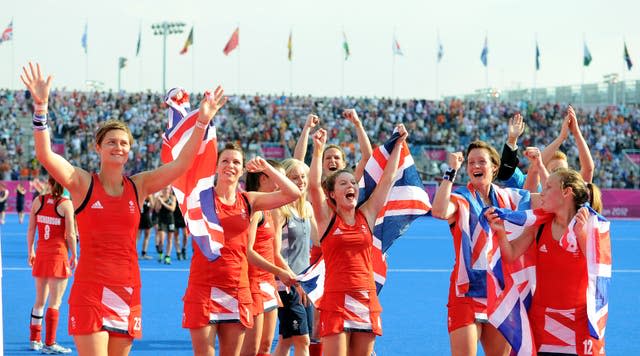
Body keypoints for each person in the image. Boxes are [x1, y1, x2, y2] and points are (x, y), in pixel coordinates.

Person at [21, 61, 227, 356]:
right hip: (90, 289)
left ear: (130, 149)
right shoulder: (82, 183)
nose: (118, 147)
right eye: (111, 143)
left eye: (123, 143)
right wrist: (41, 109)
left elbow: (182, 165)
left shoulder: (139, 185)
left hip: (127, 289)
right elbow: (44, 154)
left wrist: (202, 122)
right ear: (98, 148)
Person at [183, 145, 302, 356]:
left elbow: (293, 193)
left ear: (242, 170)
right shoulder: (199, 199)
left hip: (237, 290)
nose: (230, 166)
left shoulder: (248, 200)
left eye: (236, 162)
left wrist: (267, 167)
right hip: (203, 289)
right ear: (216, 167)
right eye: (225, 161)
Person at [431, 140, 541, 356]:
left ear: (494, 168)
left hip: (498, 290)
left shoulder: (507, 197)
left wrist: (538, 165)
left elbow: (542, 200)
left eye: (481, 161)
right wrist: (450, 172)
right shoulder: (461, 198)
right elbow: (439, 211)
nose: (475, 166)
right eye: (471, 162)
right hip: (466, 292)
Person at [308, 124, 406, 356]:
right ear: (332, 194)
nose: (351, 186)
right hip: (336, 299)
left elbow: (387, 180)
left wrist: (399, 145)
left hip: (365, 297)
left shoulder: (367, 214)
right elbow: (313, 185)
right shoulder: (326, 219)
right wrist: (317, 150)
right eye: (343, 183)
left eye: (353, 182)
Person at [485, 167, 605, 356]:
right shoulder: (539, 226)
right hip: (541, 322)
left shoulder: (590, 226)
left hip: (578, 325)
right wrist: (500, 232)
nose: (542, 192)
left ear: (566, 192)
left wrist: (580, 233)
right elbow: (511, 255)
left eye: (548, 187)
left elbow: (596, 269)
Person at [240, 159, 298, 356]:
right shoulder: (254, 209)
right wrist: (279, 272)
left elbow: (274, 253)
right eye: (278, 177)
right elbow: (248, 252)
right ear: (264, 178)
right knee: (250, 349)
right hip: (253, 283)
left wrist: (290, 275)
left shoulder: (271, 211)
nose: (282, 182)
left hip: (268, 284)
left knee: (265, 347)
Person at [273, 158, 320, 356]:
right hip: (287, 284)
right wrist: (295, 281)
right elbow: (274, 253)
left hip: (303, 283)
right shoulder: (279, 210)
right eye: (294, 177)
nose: (300, 181)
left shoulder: (306, 208)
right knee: (303, 340)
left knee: (287, 340)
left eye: (303, 177)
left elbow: (320, 241)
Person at [27, 176, 76, 354]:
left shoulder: (37, 201)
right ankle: (50, 343)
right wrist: (75, 255)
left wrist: (30, 250)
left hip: (41, 254)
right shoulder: (66, 204)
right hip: (58, 256)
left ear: (48, 183)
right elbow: (71, 234)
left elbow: (31, 229)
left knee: (39, 300)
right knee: (55, 303)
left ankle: (35, 339)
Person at [155, 186, 177, 264]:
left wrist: (163, 203)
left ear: (170, 189)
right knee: (161, 240)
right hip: (162, 220)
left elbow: (172, 208)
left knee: (170, 239)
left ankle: (167, 256)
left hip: (170, 220)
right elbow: (157, 210)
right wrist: (159, 202)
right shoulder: (159, 198)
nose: (166, 190)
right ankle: (160, 253)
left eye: (167, 188)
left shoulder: (173, 198)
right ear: (162, 189)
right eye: (164, 188)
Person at [138, 194, 155, 260]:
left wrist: (150, 198)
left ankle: (143, 253)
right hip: (141, 218)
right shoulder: (140, 196)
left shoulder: (149, 196)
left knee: (146, 236)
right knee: (137, 237)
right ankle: (134, 252)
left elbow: (152, 207)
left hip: (146, 218)